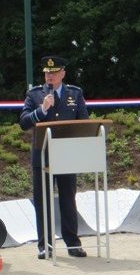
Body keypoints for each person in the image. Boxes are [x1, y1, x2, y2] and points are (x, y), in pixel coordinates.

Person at [18, 55, 89, 259]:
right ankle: (45, 245)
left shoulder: (74, 93)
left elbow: (83, 122)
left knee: (68, 199)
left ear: (63, 73)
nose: (50, 76)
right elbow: (23, 122)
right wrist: (42, 110)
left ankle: (73, 243)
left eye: (54, 72)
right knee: (43, 202)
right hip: (43, 155)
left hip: (67, 155)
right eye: (47, 73)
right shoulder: (34, 95)